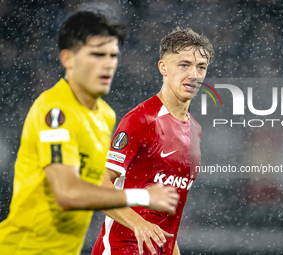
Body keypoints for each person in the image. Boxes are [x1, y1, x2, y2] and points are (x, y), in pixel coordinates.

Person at [0, 10, 179, 255]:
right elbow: (67, 193)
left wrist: (141, 223)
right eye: (96, 55)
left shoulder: (104, 115)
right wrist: (142, 197)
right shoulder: (55, 111)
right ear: (68, 59)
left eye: (112, 55)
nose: (107, 64)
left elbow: (98, 187)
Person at [92, 27, 214, 255]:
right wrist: (139, 224)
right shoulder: (141, 119)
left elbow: (170, 218)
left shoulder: (195, 130)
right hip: (122, 249)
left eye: (201, 67)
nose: (193, 75)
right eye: (184, 65)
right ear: (163, 68)